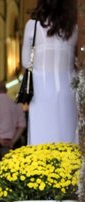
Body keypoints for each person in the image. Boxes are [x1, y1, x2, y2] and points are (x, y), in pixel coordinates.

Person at [22, 0, 78, 145]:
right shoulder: (73, 28)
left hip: (42, 86)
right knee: (67, 135)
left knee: (42, 135)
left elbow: (25, 61)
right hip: (68, 87)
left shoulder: (32, 26)